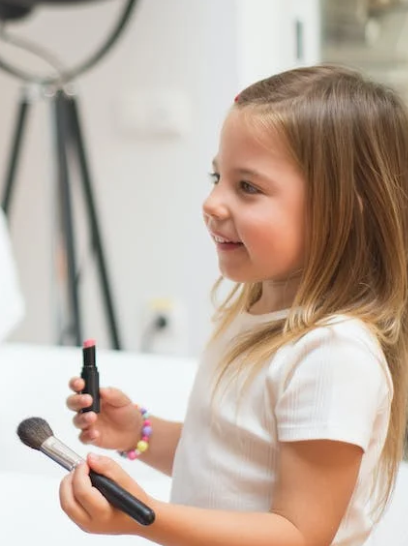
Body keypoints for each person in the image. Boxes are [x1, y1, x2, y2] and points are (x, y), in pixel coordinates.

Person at [61, 64, 408, 546]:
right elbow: (231, 462)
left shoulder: (334, 355)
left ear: (342, 212)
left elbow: (299, 534)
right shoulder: (258, 311)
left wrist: (145, 517)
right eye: (217, 175)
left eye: (248, 187)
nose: (212, 201)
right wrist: (138, 433)